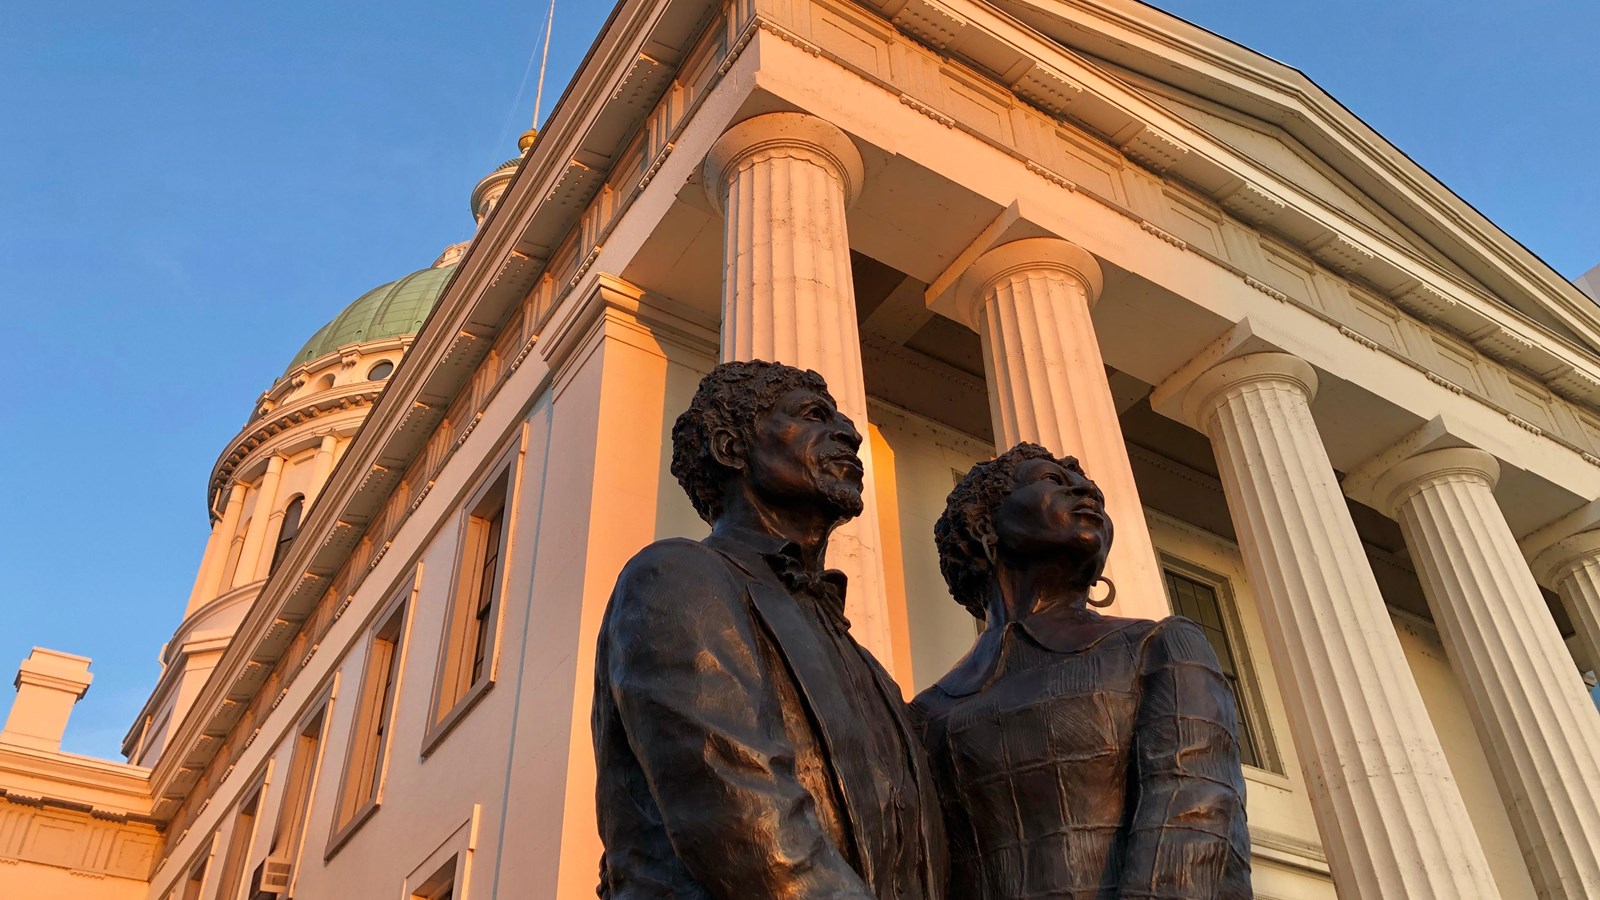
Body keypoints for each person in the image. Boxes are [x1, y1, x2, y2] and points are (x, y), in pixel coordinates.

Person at [591, 360, 946, 899]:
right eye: (812, 416)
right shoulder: (677, 578)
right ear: (731, 448)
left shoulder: (859, 658)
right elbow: (743, 818)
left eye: (842, 420)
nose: (848, 433)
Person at [912, 443, 1251, 899]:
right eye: (1052, 481)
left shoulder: (1158, 647)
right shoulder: (926, 715)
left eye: (1090, 489)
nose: (1085, 493)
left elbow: (1196, 828)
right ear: (981, 524)